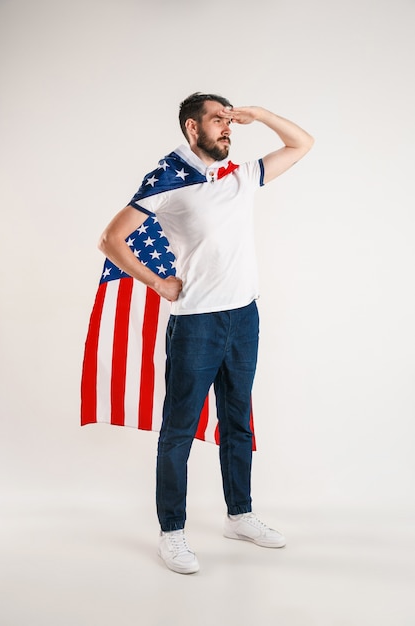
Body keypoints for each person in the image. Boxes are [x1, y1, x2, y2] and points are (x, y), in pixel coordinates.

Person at [98, 92, 314, 574]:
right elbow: (111, 239)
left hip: (244, 316)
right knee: (178, 431)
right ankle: (172, 532)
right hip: (196, 321)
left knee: (238, 422)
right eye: (217, 120)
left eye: (229, 119)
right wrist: (157, 283)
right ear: (192, 129)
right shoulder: (168, 181)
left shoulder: (240, 176)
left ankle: (240, 515)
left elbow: (302, 143)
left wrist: (259, 114)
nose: (227, 127)